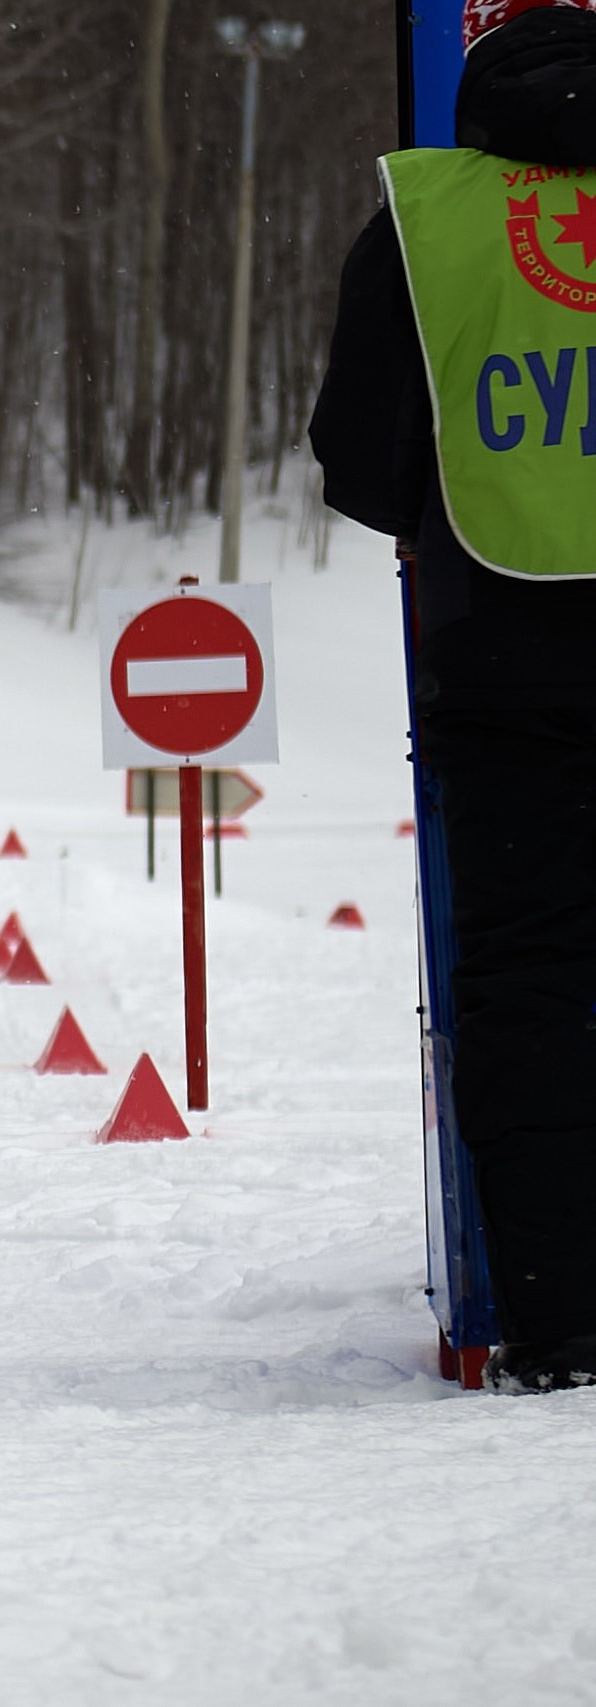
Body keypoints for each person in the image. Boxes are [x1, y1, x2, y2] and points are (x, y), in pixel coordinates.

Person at [311, 0, 596, 1390]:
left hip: (506, 655)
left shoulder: (428, 224)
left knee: (534, 970)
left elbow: (357, 462)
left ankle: (560, 1311)